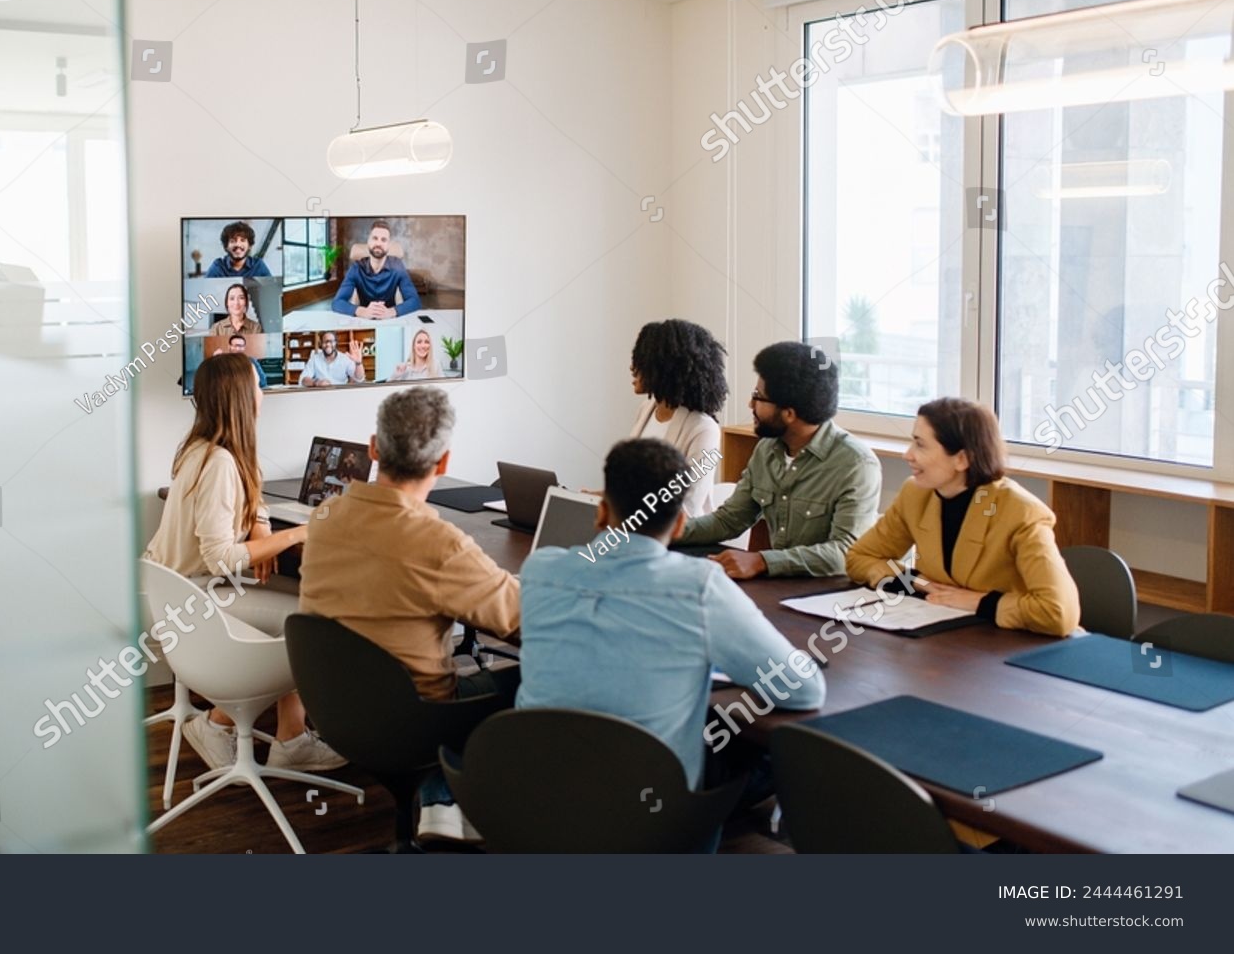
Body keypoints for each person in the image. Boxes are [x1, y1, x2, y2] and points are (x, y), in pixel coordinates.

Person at [518, 438, 825, 838]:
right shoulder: (699, 587)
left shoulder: (539, 569)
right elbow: (803, 691)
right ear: (680, 524)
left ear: (601, 513)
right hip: (646, 817)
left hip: (533, 795)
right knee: (758, 753)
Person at [300, 386, 519, 843]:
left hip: (334, 711)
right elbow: (521, 617)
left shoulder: (324, 517)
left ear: (374, 448)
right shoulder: (439, 544)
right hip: (413, 722)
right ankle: (460, 800)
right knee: (523, 677)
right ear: (443, 463)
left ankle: (441, 798)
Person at [143, 352, 344, 772]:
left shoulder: (212, 448)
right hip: (193, 600)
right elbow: (219, 558)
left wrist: (262, 531)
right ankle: (221, 725)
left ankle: (290, 736)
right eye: (257, 385)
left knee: (305, 603)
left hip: (178, 592)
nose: (263, 393)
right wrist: (300, 533)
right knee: (312, 625)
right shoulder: (218, 463)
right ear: (240, 396)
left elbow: (252, 501)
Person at [846, 397, 1081, 637]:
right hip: (945, 635)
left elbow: (1059, 613)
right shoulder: (916, 493)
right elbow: (861, 557)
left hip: (1013, 644)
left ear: (962, 459)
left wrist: (981, 602)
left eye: (921, 445)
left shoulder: (1021, 512)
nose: (908, 455)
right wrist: (915, 581)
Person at [677, 340, 881, 579]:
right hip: (779, 587)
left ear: (789, 413)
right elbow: (729, 520)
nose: (750, 404)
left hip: (826, 596)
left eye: (758, 397)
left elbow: (845, 553)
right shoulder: (766, 449)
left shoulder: (856, 464)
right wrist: (673, 531)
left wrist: (762, 561)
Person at [627, 320, 728, 516]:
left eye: (641, 361)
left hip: (677, 537)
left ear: (665, 368)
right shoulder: (646, 410)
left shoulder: (703, 429)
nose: (632, 368)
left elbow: (686, 506)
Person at [331, 220, 420, 318]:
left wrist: (391, 312)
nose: (378, 243)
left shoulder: (397, 266)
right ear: (368, 241)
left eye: (384, 240)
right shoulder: (356, 268)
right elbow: (337, 302)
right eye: (375, 238)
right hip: (364, 320)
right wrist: (362, 311)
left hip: (389, 320)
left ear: (388, 245)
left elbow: (415, 301)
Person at [205, 220, 272, 278]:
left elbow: (272, 288)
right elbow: (205, 290)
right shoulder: (218, 266)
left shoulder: (258, 265)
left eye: (242, 240)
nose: (238, 244)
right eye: (233, 241)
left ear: (249, 245)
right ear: (226, 246)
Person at [299, 332, 366, 386]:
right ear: (321, 344)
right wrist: (316, 382)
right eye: (325, 342)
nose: (328, 344)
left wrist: (358, 363)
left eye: (331, 341)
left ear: (336, 343)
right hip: (320, 396)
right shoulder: (314, 359)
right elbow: (303, 379)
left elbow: (359, 379)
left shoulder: (345, 358)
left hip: (340, 396)